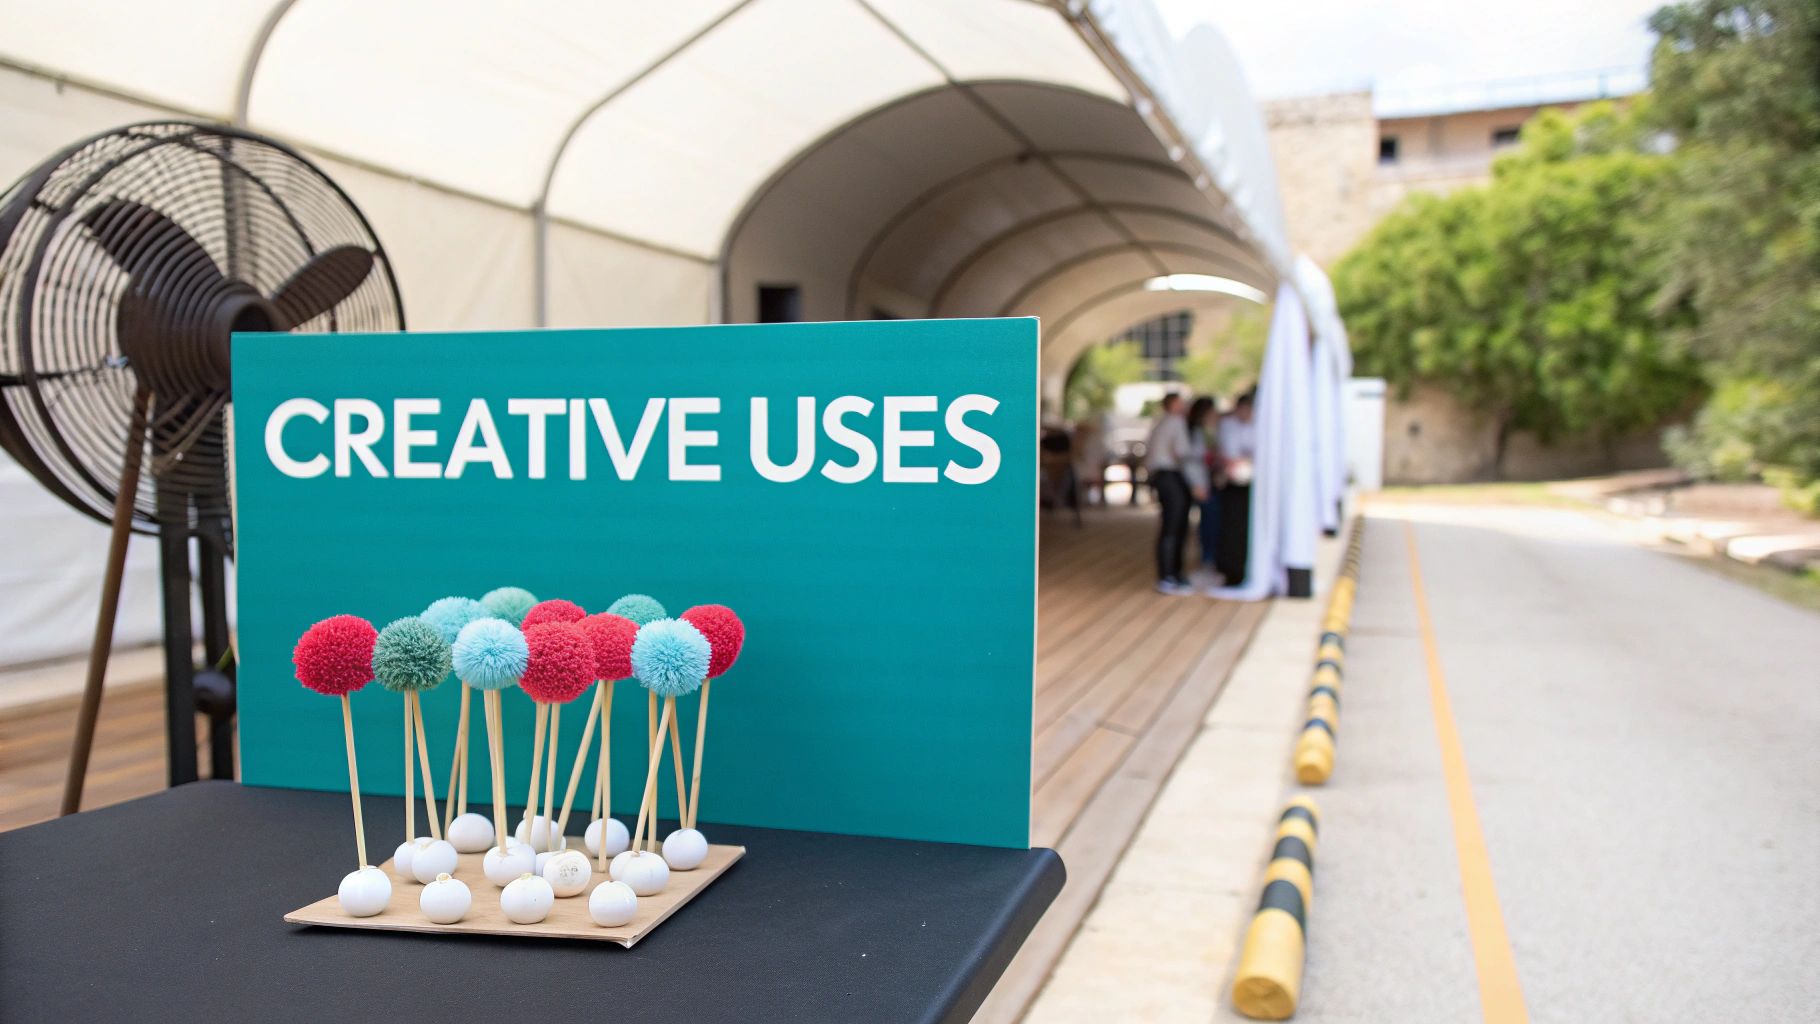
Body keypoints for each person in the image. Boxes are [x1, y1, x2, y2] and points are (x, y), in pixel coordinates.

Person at [1145, 392, 1205, 595]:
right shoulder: (1176, 423)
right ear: (1172, 405)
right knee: (1174, 526)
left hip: (1162, 477)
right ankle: (1169, 575)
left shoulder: (1160, 424)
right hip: (1171, 476)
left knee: (1172, 525)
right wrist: (1197, 480)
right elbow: (1181, 453)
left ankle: (1171, 574)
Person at [1215, 390, 1257, 586]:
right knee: (1231, 527)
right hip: (1232, 483)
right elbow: (1228, 452)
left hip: (1252, 483)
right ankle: (1231, 570)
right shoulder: (1228, 426)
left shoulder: (1259, 426)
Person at [1185, 396, 1221, 583]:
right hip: (1201, 482)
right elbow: (1190, 460)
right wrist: (1196, 485)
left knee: (1211, 521)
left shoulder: (1209, 432)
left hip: (1210, 481)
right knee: (1208, 522)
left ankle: (1210, 558)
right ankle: (1207, 559)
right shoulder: (1194, 433)